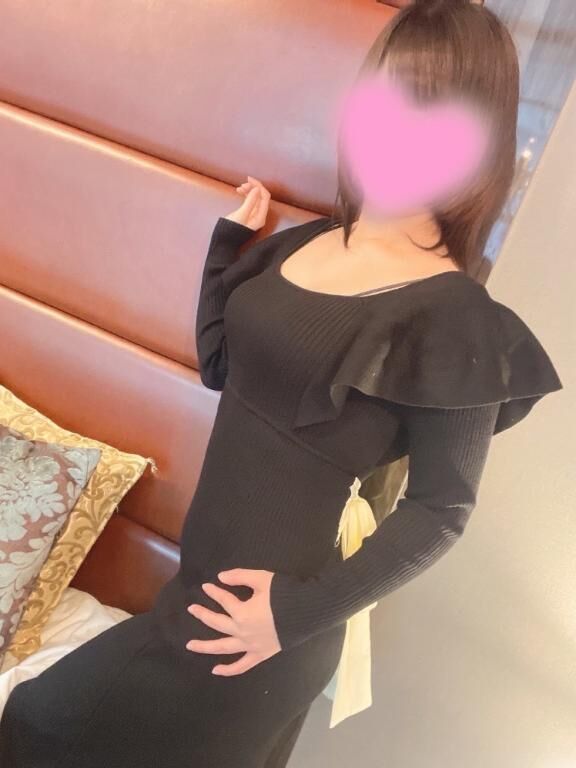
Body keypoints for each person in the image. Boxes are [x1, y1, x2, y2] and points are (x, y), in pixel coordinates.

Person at [0, 1, 563, 766]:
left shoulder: (458, 319)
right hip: (194, 596)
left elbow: (443, 511)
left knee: (38, 723)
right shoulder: (309, 242)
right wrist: (226, 247)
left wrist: (291, 617)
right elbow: (220, 366)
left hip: (259, 631)